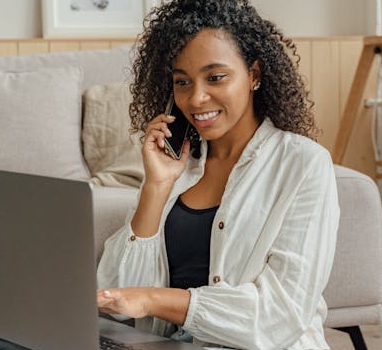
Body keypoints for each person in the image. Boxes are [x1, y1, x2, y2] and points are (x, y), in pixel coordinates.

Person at [96, 0, 340, 349]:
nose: (196, 99)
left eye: (215, 77)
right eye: (182, 82)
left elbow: (279, 315)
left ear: (254, 75)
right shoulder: (177, 169)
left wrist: (153, 300)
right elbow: (117, 296)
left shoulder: (303, 164)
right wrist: (156, 186)